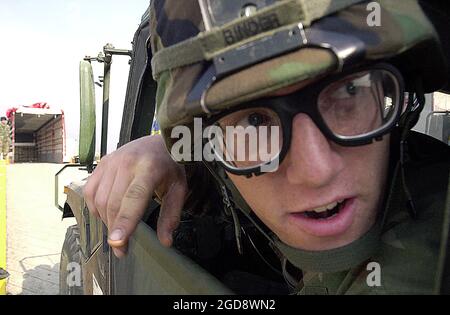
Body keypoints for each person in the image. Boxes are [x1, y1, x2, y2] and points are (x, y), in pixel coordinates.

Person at [84, 0, 450, 294]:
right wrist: (174, 152)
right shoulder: (223, 161)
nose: (316, 170)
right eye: (254, 122)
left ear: (395, 96)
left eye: (348, 91)